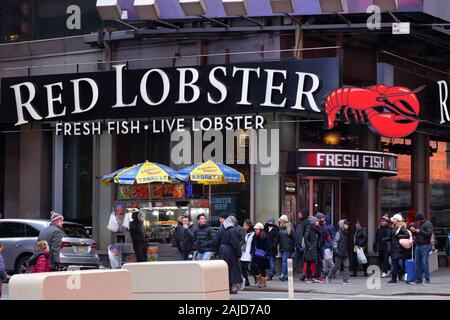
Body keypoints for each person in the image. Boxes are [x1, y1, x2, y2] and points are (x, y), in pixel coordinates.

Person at [218, 216, 242, 294]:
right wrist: (239, 254)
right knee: (234, 269)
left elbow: (216, 240)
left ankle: (226, 287)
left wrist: (217, 251)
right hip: (230, 251)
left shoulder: (221, 229)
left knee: (224, 269)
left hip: (222, 250)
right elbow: (235, 243)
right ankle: (233, 288)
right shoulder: (232, 230)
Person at [410, 213, 433, 285]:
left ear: (421, 219)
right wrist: (414, 231)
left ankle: (427, 279)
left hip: (425, 245)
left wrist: (419, 231)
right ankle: (418, 279)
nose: (416, 222)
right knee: (417, 262)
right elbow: (418, 233)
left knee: (424, 262)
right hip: (418, 244)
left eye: (417, 220)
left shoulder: (428, 223)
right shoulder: (419, 224)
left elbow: (429, 233)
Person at [326, 219, 351, 284]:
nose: (347, 226)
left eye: (347, 225)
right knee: (336, 267)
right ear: (342, 225)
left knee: (347, 266)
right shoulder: (338, 233)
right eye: (345, 225)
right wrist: (336, 250)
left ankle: (345, 280)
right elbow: (335, 242)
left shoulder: (346, 233)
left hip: (345, 253)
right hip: (339, 253)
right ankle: (328, 277)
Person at [388, 214, 410, 284]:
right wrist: (386, 239)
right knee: (395, 263)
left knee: (396, 263)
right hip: (394, 247)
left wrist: (398, 236)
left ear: (397, 220)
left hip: (398, 248)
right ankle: (395, 278)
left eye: (394, 219)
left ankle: (395, 278)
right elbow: (392, 237)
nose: (393, 220)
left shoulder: (401, 227)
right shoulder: (393, 227)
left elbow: (407, 235)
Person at [250, 223, 271, 288]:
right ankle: (259, 280)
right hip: (256, 254)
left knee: (262, 269)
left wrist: (266, 254)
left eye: (257, 229)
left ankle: (263, 282)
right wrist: (252, 251)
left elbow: (268, 247)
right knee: (253, 267)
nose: (255, 230)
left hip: (263, 255)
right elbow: (253, 245)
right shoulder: (254, 236)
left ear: (260, 230)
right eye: (255, 229)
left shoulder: (265, 237)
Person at [304, 216, 323, 283]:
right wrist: (310, 246)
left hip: (317, 248)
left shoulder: (317, 228)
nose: (318, 222)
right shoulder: (309, 229)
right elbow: (306, 239)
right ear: (313, 222)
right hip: (311, 249)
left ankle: (316, 276)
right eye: (316, 221)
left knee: (318, 262)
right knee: (310, 262)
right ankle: (309, 277)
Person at [316, 213, 335, 281]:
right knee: (321, 261)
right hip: (319, 246)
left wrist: (331, 243)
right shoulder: (318, 226)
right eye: (322, 218)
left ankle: (326, 273)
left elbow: (328, 235)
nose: (323, 219)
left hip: (324, 246)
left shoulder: (324, 226)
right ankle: (320, 275)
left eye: (323, 218)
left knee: (326, 260)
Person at [277, 215, 296, 281]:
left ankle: (283, 274)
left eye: (281, 220)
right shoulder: (280, 228)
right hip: (282, 247)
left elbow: (294, 238)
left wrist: (295, 246)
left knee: (284, 261)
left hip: (288, 248)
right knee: (286, 261)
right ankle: (287, 275)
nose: (280, 221)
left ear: (284, 221)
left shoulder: (289, 228)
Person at [293, 209, 308, 280]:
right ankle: (290, 274)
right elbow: (297, 234)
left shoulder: (306, 222)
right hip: (299, 244)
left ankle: (304, 275)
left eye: (300, 213)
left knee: (305, 260)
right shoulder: (299, 222)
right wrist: (296, 243)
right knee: (295, 259)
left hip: (304, 244)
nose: (299, 214)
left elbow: (304, 234)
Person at [240, 219, 255, 286]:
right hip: (244, 252)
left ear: (249, 226)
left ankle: (256, 277)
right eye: (244, 225)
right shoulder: (244, 233)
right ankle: (246, 282)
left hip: (249, 252)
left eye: (246, 225)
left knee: (248, 267)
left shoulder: (253, 233)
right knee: (242, 268)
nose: (244, 226)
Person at [264, 216, 279, 280]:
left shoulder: (276, 230)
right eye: (268, 221)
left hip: (272, 249)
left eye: (270, 221)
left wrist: (272, 246)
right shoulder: (265, 229)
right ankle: (272, 271)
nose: (269, 222)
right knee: (267, 262)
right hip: (265, 249)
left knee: (271, 261)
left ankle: (270, 275)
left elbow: (276, 240)